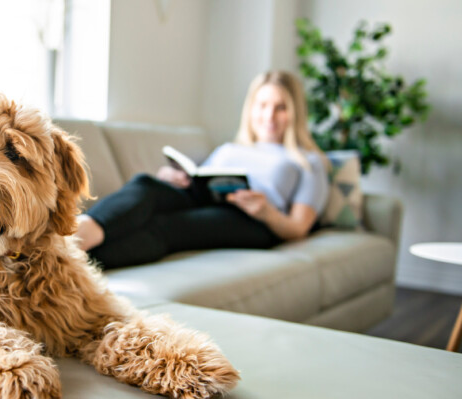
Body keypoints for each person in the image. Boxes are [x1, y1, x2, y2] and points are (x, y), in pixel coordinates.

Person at [75, 70, 330, 269]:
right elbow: (201, 180)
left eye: (281, 107)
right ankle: (76, 235)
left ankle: (72, 262)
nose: (269, 115)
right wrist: (174, 179)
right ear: (251, 108)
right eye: (262, 105)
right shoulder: (230, 149)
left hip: (252, 221)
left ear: (295, 112)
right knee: (146, 184)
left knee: (166, 227)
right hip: (205, 200)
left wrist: (266, 212)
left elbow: (299, 228)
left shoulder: (308, 161)